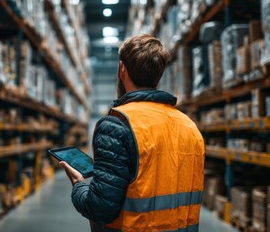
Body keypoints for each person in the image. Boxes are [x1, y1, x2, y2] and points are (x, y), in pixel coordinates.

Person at [60, 34, 205, 232]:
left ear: (122, 69)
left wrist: (78, 184)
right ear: (159, 73)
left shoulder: (117, 124)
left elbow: (100, 209)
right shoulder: (189, 126)